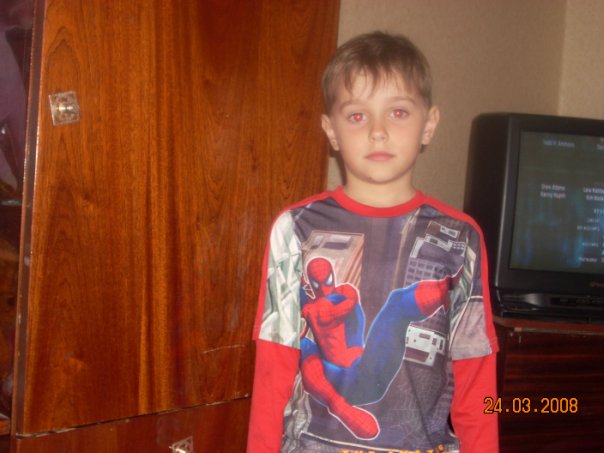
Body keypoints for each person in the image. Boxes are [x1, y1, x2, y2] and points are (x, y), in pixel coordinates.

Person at [247, 31, 499, 453]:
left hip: (382, 387)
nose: (378, 132)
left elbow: (477, 378)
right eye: (357, 116)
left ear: (429, 124)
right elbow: (273, 370)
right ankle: (341, 407)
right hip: (319, 423)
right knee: (307, 350)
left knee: (399, 305)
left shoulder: (462, 237)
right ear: (331, 130)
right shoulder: (295, 228)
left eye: (398, 112)